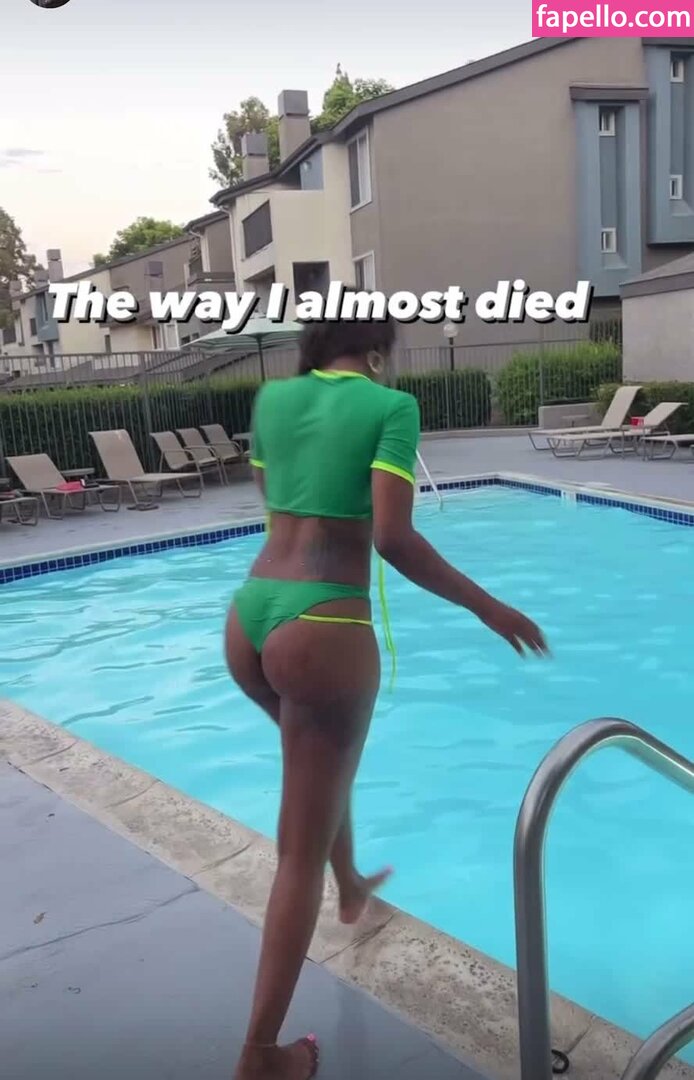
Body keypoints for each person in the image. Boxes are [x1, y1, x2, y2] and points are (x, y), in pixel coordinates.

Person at [226, 309, 549, 1080]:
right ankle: (260, 1053)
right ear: (375, 353)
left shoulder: (274, 400)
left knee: (317, 773)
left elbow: (278, 502)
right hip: (323, 628)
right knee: (296, 849)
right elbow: (392, 537)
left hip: (251, 618)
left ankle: (350, 885)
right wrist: (488, 607)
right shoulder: (390, 407)